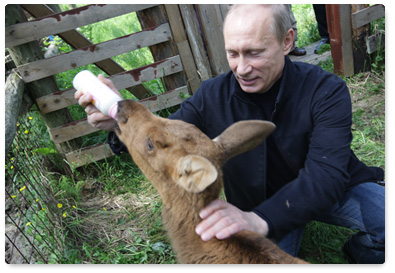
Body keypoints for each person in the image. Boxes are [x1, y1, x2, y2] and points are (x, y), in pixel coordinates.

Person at [75, 4, 384, 263]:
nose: (242, 68)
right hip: (261, 204)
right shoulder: (212, 94)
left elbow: (326, 175)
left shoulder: (326, 90)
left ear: (287, 42)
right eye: (233, 54)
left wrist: (258, 220)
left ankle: (362, 249)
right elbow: (163, 139)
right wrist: (118, 123)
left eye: (254, 53)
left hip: (328, 193)